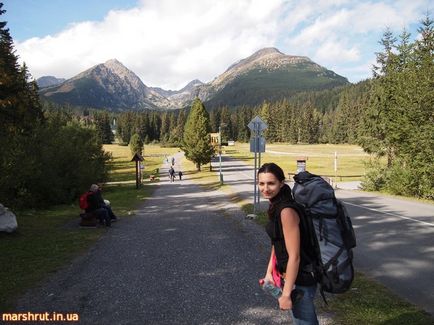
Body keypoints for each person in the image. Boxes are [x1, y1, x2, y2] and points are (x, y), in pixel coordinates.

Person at [258, 163, 319, 325]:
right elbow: (277, 242)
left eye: (271, 183)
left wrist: (286, 294)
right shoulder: (275, 206)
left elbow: (295, 256)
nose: (265, 188)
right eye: (261, 183)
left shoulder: (286, 211)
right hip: (290, 278)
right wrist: (270, 272)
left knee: (304, 322)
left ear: (281, 183)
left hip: (301, 279)